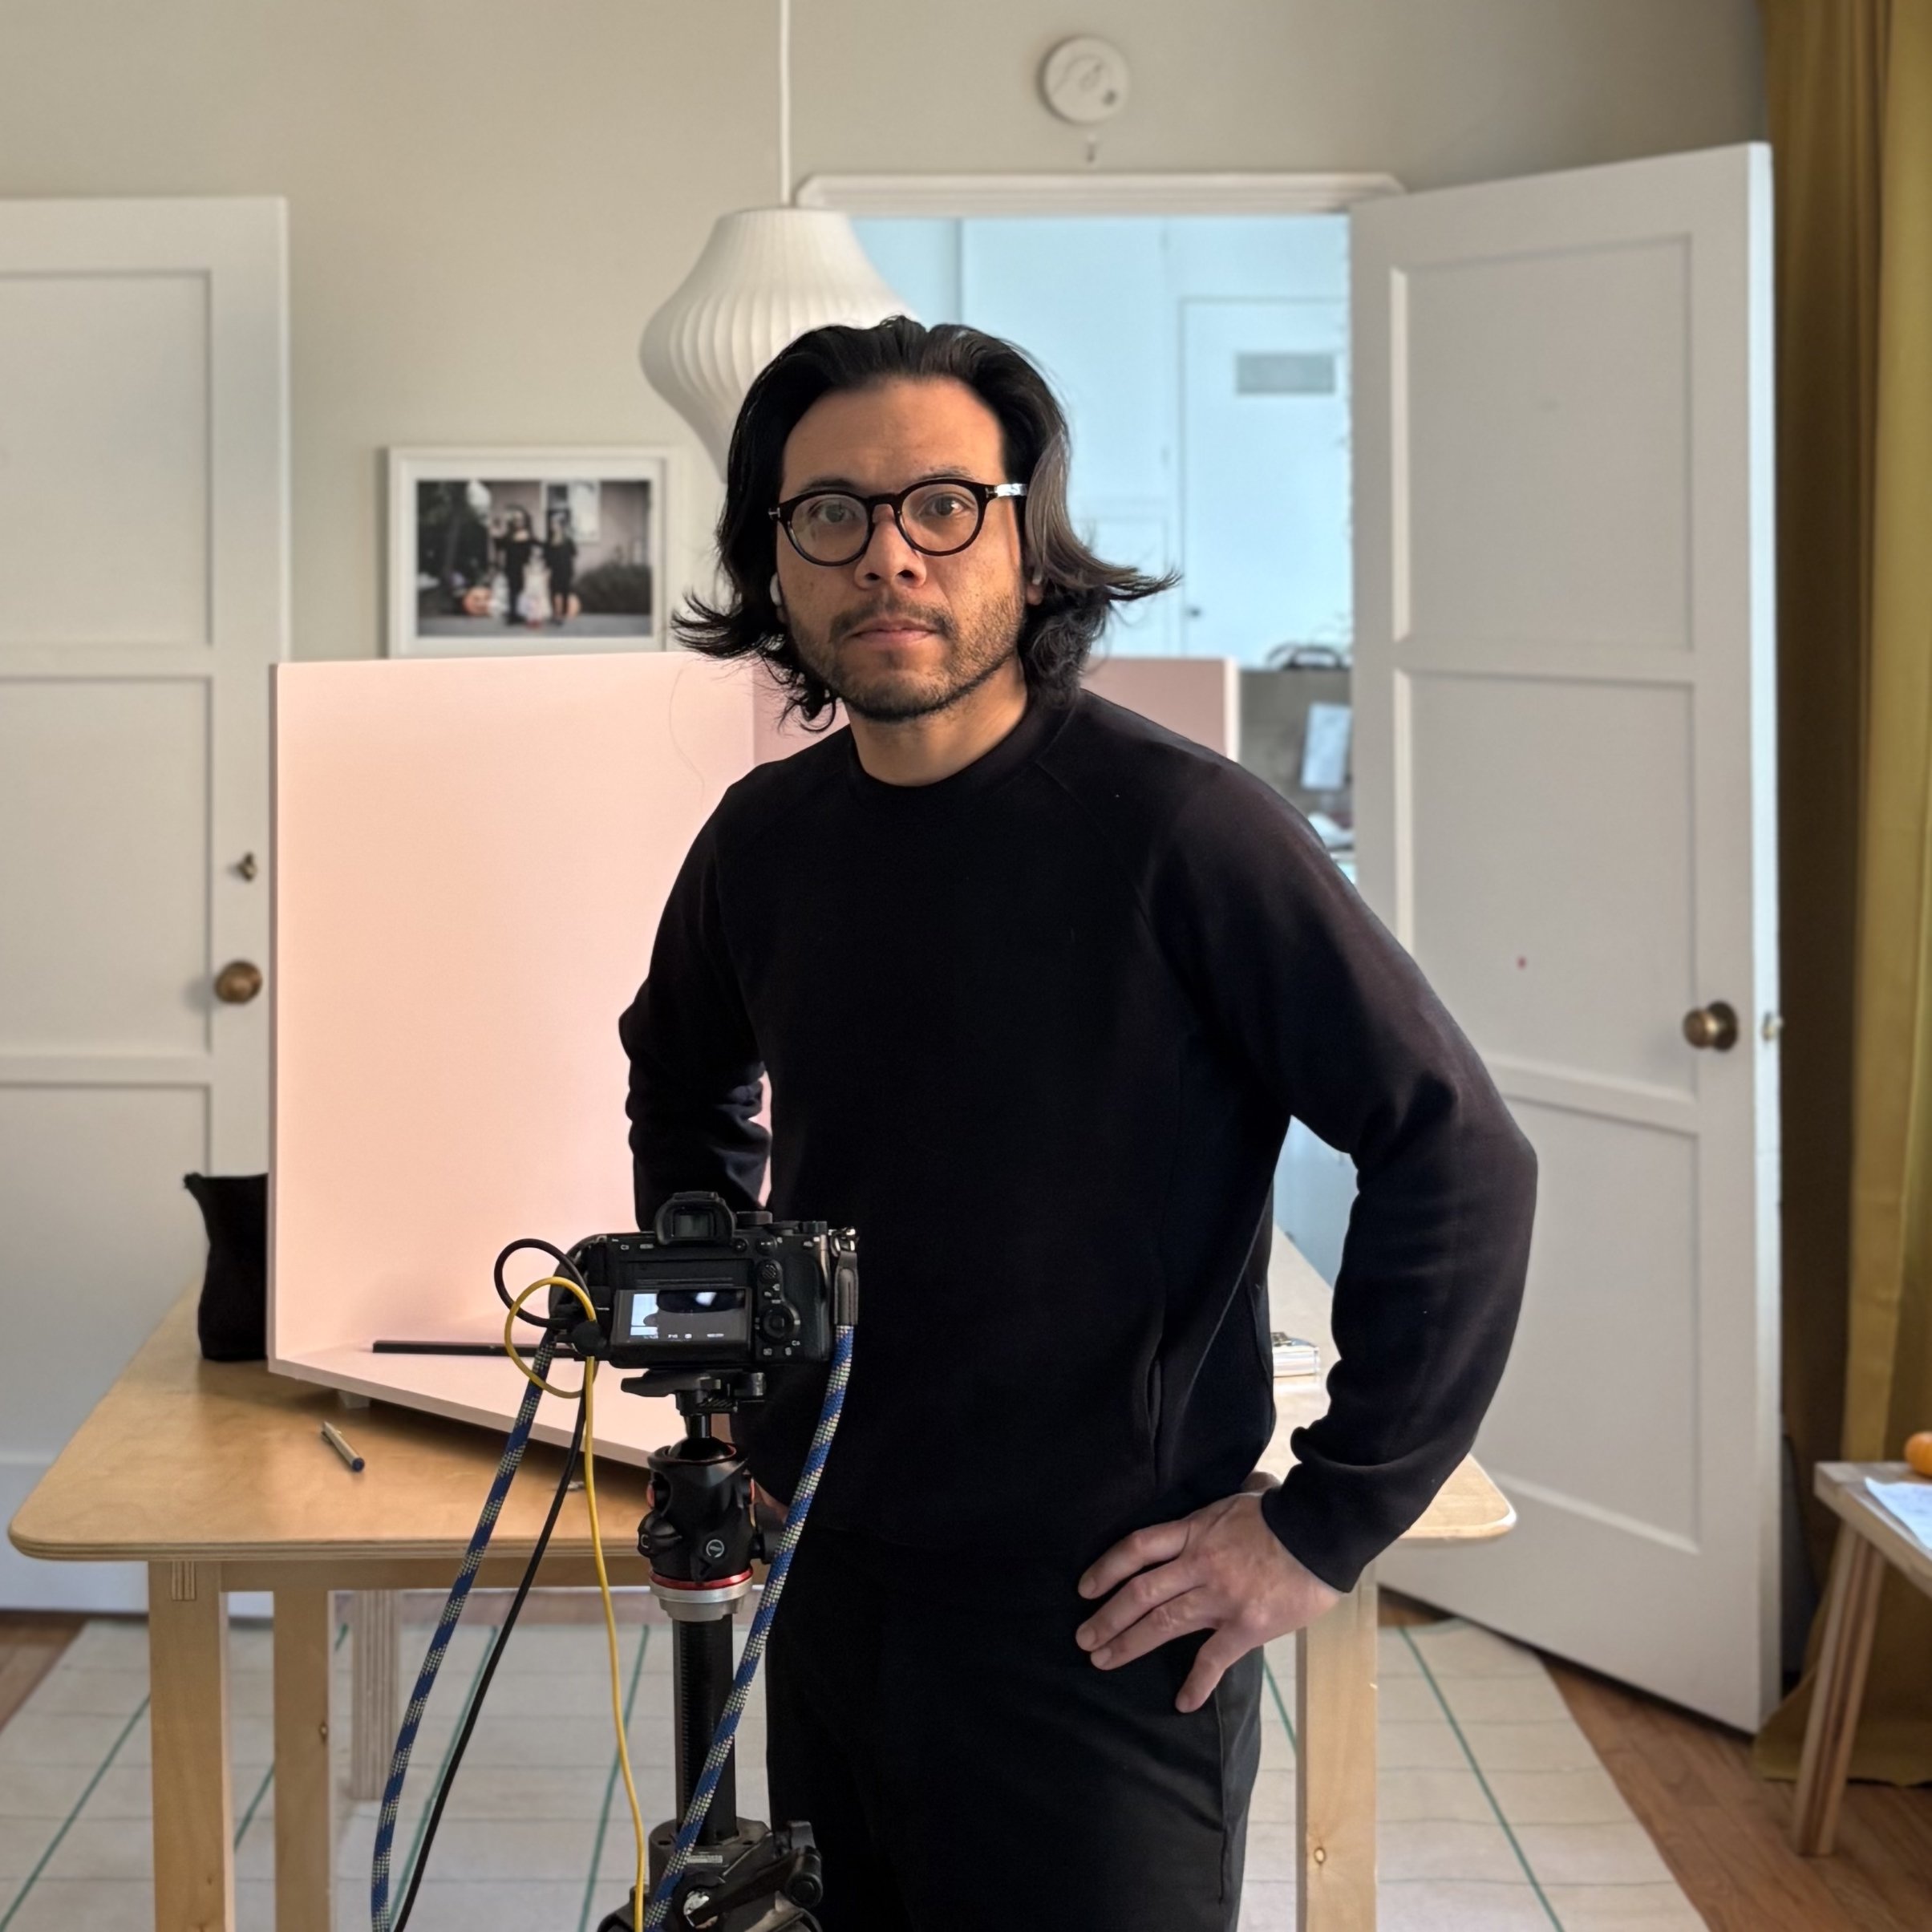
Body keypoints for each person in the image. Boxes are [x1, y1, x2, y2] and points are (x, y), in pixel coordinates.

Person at [618, 318, 1537, 1932]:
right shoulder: (765, 843)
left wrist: (1321, 1523)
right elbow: (680, 1081)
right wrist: (736, 1391)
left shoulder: (1183, 832)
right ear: (775, 565)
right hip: (832, 1590)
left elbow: (1450, 1147)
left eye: (941, 506)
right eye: (828, 513)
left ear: (1029, 547)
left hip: (1104, 1629)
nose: (887, 554)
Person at [543, 507, 577, 625]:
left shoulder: (568, 540)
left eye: (556, 524)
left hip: (565, 570)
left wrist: (571, 569)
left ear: (560, 525)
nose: (553, 526)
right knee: (553, 592)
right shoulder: (549, 541)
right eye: (552, 524)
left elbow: (574, 553)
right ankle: (554, 614)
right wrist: (547, 571)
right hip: (554, 571)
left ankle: (562, 615)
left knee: (565, 592)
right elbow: (546, 558)